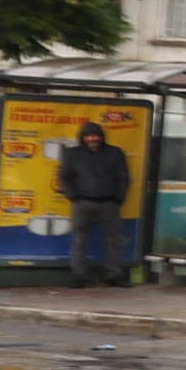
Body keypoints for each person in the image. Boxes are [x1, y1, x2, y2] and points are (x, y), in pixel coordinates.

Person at [54, 120, 138, 286]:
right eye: (89, 136)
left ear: (102, 137)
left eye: (96, 135)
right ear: (83, 137)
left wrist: (118, 198)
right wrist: (73, 196)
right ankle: (78, 276)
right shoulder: (73, 153)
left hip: (109, 203)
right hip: (82, 203)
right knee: (79, 240)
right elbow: (64, 177)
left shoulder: (115, 153)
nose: (93, 139)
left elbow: (123, 178)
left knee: (114, 240)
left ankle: (113, 275)